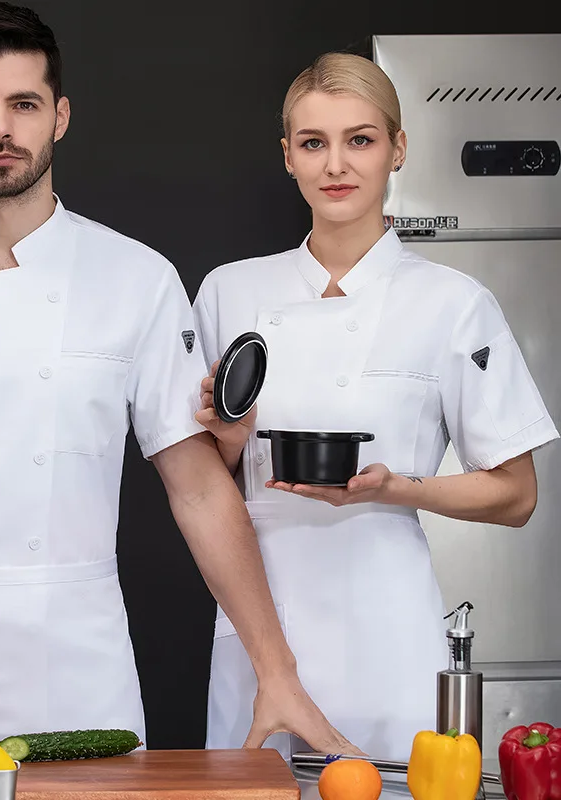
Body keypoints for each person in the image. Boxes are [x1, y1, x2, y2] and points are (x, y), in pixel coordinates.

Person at [0, 2, 361, 765]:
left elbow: (200, 490)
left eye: (24, 104)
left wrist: (277, 672)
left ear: (61, 117)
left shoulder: (136, 279)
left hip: (82, 676)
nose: (0, 129)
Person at [193, 52, 559, 762]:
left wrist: (393, 488)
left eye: (360, 139)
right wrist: (232, 440)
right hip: (259, 634)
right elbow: (202, 486)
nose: (337, 164)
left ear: (398, 149)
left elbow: (516, 496)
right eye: (313, 142)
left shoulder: (454, 304)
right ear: (288, 158)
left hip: (388, 638)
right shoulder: (228, 293)